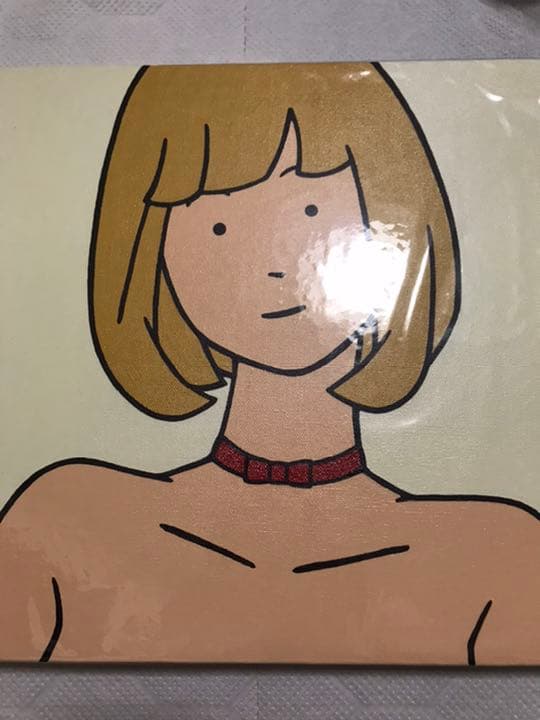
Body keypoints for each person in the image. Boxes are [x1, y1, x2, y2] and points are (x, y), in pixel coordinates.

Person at [1, 63, 538, 664]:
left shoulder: (494, 556)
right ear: (151, 253)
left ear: (398, 216)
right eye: (219, 226)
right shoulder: (69, 519)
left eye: (310, 211)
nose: (275, 264)